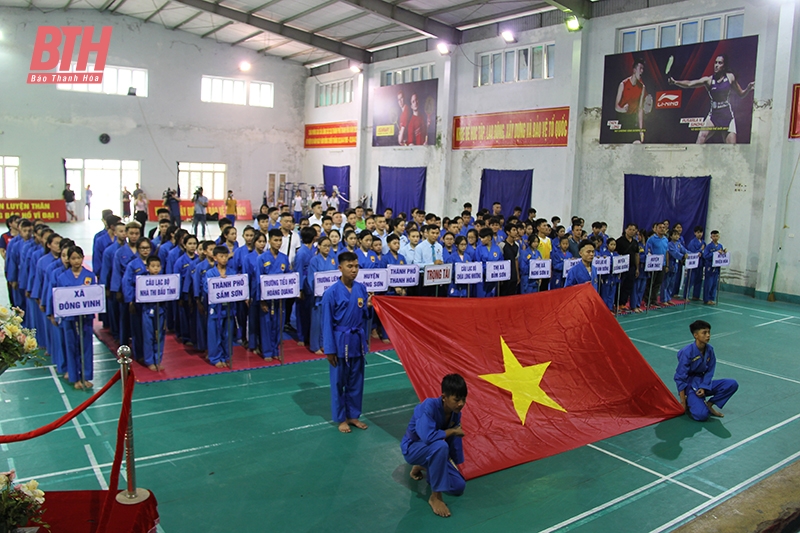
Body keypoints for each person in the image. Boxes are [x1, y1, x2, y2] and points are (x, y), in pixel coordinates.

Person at [401, 374, 467, 518]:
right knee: (440, 446)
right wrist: (452, 431)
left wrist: (454, 464)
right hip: (413, 448)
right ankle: (435, 497)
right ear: (444, 397)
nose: (461, 403)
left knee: (458, 486)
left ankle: (423, 466)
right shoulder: (428, 406)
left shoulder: (455, 414)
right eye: (457, 399)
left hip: (434, 450)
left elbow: (453, 443)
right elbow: (427, 437)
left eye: (463, 399)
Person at [322, 251, 371, 433]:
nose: (354, 270)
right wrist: (329, 349)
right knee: (338, 382)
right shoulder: (331, 293)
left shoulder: (361, 288)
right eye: (350, 266)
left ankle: (353, 415)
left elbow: (365, 316)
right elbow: (326, 323)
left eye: (356, 266)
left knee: (356, 381)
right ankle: (341, 418)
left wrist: (369, 307)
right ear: (340, 268)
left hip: (357, 340)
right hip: (339, 341)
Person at [669, 54, 755, 144]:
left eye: (720, 63)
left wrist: (748, 88)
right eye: (715, 63)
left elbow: (741, 94)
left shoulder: (730, 77)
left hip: (727, 116)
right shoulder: (709, 80)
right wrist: (675, 82)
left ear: (724, 66)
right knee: (700, 139)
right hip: (713, 116)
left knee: (732, 149)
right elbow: (690, 83)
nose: (716, 65)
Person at [674, 320, 738, 421]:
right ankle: (689, 401)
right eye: (704, 333)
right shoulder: (686, 352)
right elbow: (680, 377)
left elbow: (710, 371)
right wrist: (682, 403)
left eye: (709, 332)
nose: (708, 335)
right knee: (701, 416)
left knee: (732, 384)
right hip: (690, 385)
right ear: (695, 335)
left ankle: (709, 404)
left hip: (703, 382)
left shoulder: (710, 349)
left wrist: (703, 386)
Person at [57, 246, 96, 389]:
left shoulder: (90, 276)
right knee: (71, 346)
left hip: (85, 318)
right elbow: (59, 297)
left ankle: (86, 376)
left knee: (86, 346)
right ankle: (74, 377)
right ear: (68, 259)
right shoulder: (62, 277)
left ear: (82, 258)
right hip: (69, 319)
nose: (76, 261)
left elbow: (94, 295)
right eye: (73, 258)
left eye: (78, 258)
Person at [202, 246, 238, 368]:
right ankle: (215, 357)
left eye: (225, 256)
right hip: (215, 308)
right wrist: (220, 282)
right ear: (215, 257)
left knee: (227, 334)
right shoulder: (210, 273)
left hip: (228, 307)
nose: (224, 259)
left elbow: (237, 288)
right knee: (214, 333)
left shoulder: (232, 272)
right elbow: (207, 289)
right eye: (221, 256)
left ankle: (226, 356)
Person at [258, 229, 292, 360]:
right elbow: (258, 279)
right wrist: (261, 300)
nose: (278, 243)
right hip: (266, 298)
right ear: (269, 241)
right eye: (275, 240)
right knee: (267, 325)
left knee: (279, 324)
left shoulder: (284, 258)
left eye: (280, 240)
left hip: (280, 298)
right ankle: (267, 352)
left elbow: (289, 276)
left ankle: (275, 350)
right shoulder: (262, 258)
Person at [140, 256, 166, 371]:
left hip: (160, 310)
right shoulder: (143, 280)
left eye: (158, 266)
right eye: (153, 266)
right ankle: (149, 360)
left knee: (159, 336)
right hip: (147, 311)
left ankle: (158, 360)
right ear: (147, 268)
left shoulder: (164, 280)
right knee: (148, 336)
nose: (155, 269)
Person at [615, 57, 646, 144]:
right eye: (640, 69)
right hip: (622, 121)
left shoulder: (642, 87)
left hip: (633, 122)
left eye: (643, 69)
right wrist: (622, 109)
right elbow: (616, 106)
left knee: (637, 143)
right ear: (634, 70)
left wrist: (641, 130)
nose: (642, 71)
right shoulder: (623, 84)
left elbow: (640, 109)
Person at [616, 223, 639, 309]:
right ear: (626, 230)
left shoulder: (635, 242)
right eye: (630, 229)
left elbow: (636, 255)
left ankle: (623, 303)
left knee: (628, 286)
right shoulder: (619, 241)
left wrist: (637, 268)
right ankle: (616, 303)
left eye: (633, 230)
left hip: (632, 267)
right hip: (621, 268)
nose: (632, 231)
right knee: (620, 286)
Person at [645, 222, 668, 306]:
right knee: (650, 282)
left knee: (658, 283)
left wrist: (667, 265)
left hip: (662, 264)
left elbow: (667, 252)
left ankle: (654, 300)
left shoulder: (666, 239)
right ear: (656, 229)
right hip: (654, 264)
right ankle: (647, 300)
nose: (662, 229)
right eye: (660, 227)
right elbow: (648, 251)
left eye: (663, 227)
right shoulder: (651, 239)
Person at [702, 230, 726, 305]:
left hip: (716, 267)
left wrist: (724, 253)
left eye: (716, 236)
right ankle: (706, 299)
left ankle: (712, 298)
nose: (715, 238)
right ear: (711, 237)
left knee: (714, 284)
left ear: (719, 236)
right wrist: (714, 253)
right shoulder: (709, 246)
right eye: (713, 236)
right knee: (709, 283)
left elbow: (721, 255)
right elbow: (705, 256)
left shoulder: (720, 246)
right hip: (710, 267)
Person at [686, 226, 706, 301]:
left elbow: (705, 252)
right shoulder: (692, 242)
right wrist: (700, 250)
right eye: (698, 232)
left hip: (700, 264)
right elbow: (691, 252)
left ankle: (696, 295)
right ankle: (686, 295)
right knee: (690, 280)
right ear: (695, 233)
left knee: (699, 280)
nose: (699, 234)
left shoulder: (703, 242)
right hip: (693, 264)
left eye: (701, 232)